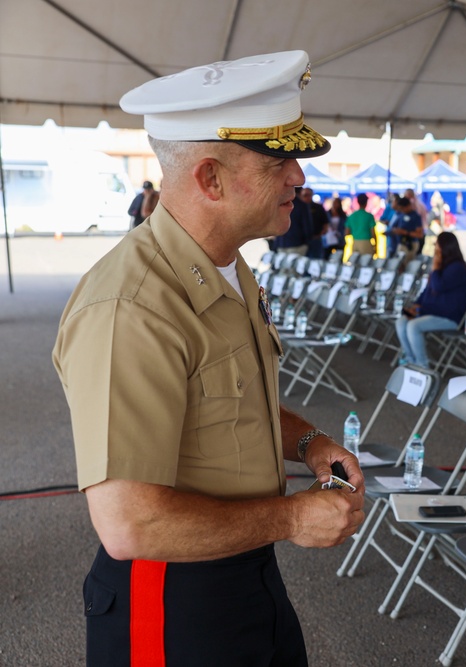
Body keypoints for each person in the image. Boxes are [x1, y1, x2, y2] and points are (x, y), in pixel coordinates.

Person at [52, 51, 366, 667]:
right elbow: (129, 526)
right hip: (168, 598)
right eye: (279, 161)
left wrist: (309, 443)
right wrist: (292, 519)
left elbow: (231, 400)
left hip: (243, 571)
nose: (299, 178)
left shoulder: (227, 264)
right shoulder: (132, 307)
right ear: (210, 179)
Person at [395, 232, 466, 367]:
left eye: (437, 245)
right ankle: (410, 360)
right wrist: (416, 305)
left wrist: (435, 267)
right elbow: (427, 290)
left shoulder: (457, 268)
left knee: (413, 326)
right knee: (401, 322)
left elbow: (438, 286)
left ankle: (422, 365)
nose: (435, 249)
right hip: (429, 312)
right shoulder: (441, 266)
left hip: (449, 317)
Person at [273, 186, 312, 255]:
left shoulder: (279, 203)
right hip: (297, 243)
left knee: (282, 264)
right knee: (296, 265)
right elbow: (307, 225)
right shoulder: (302, 205)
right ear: (301, 192)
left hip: (281, 242)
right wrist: (307, 241)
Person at [388, 196, 423, 262]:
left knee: (407, 264)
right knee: (398, 264)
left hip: (411, 244)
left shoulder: (415, 216)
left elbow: (420, 234)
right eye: (401, 209)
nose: (402, 210)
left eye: (403, 208)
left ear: (408, 206)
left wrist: (405, 232)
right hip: (400, 243)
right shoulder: (401, 214)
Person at [301, 187, 329, 259]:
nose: (307, 197)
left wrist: (320, 234)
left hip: (316, 239)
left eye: (309, 195)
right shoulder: (298, 208)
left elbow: (326, 223)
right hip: (301, 241)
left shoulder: (318, 207)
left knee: (316, 261)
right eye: (305, 195)